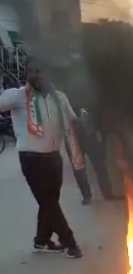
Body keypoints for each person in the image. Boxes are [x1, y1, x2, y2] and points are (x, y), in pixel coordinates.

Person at [0, 57, 83, 258]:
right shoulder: (17, 96)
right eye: (31, 71)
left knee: (50, 200)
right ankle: (69, 241)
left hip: (55, 156)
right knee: (48, 201)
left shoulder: (60, 97)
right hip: (31, 159)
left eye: (39, 70)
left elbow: (72, 121)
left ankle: (41, 240)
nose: (35, 75)